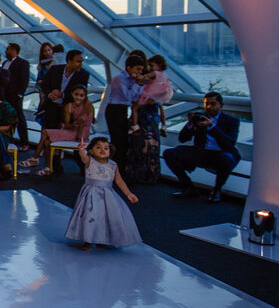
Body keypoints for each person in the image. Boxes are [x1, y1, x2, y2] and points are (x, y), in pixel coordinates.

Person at [163, 92, 240, 203]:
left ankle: (217, 190)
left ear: (221, 105)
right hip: (202, 152)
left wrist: (211, 126)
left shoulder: (231, 121)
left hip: (220, 153)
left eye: (213, 104)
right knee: (169, 153)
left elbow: (229, 143)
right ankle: (188, 186)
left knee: (226, 158)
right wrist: (190, 123)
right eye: (206, 104)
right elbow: (182, 138)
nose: (209, 107)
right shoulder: (199, 117)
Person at [65, 137, 140, 251]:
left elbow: (118, 181)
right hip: (91, 194)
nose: (102, 150)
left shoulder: (113, 165)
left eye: (106, 148)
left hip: (108, 195)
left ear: (110, 151)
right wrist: (81, 150)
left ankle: (103, 238)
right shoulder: (90, 161)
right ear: (91, 151)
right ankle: (88, 239)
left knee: (105, 217)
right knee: (90, 216)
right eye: (98, 147)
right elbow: (83, 157)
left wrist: (128, 193)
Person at [24, 84, 94, 175]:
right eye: (76, 94)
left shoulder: (88, 105)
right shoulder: (68, 106)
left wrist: (75, 124)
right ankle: (48, 167)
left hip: (82, 133)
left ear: (85, 96)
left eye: (81, 95)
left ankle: (35, 157)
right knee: (46, 142)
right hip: (71, 130)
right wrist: (75, 123)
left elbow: (81, 123)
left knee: (45, 132)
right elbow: (68, 125)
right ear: (72, 94)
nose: (79, 97)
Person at [126, 54, 173, 183]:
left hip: (144, 113)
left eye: (151, 65)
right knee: (152, 145)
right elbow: (161, 107)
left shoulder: (154, 76)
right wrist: (163, 125)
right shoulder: (164, 80)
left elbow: (143, 79)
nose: (150, 68)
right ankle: (151, 174)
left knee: (139, 145)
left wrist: (136, 77)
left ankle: (137, 174)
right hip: (153, 117)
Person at [101, 54, 146, 170]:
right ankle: (116, 171)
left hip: (123, 110)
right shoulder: (119, 78)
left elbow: (135, 97)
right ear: (129, 67)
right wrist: (138, 84)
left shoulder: (132, 80)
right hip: (114, 110)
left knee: (124, 142)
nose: (139, 72)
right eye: (138, 69)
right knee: (118, 141)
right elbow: (128, 97)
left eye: (141, 70)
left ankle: (121, 170)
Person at [38, 48, 89, 132]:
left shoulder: (83, 74)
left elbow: (82, 93)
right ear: (69, 61)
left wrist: (63, 95)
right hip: (51, 108)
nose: (81, 64)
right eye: (78, 62)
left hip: (68, 111)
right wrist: (51, 94)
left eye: (81, 61)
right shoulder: (55, 69)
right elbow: (44, 85)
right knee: (46, 133)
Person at [1, 42, 30, 148]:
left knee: (20, 118)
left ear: (14, 50)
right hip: (5, 95)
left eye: (8, 49)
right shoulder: (5, 63)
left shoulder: (22, 63)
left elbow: (24, 80)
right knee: (7, 117)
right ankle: (8, 139)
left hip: (15, 96)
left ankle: (25, 142)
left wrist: (20, 95)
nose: (5, 51)